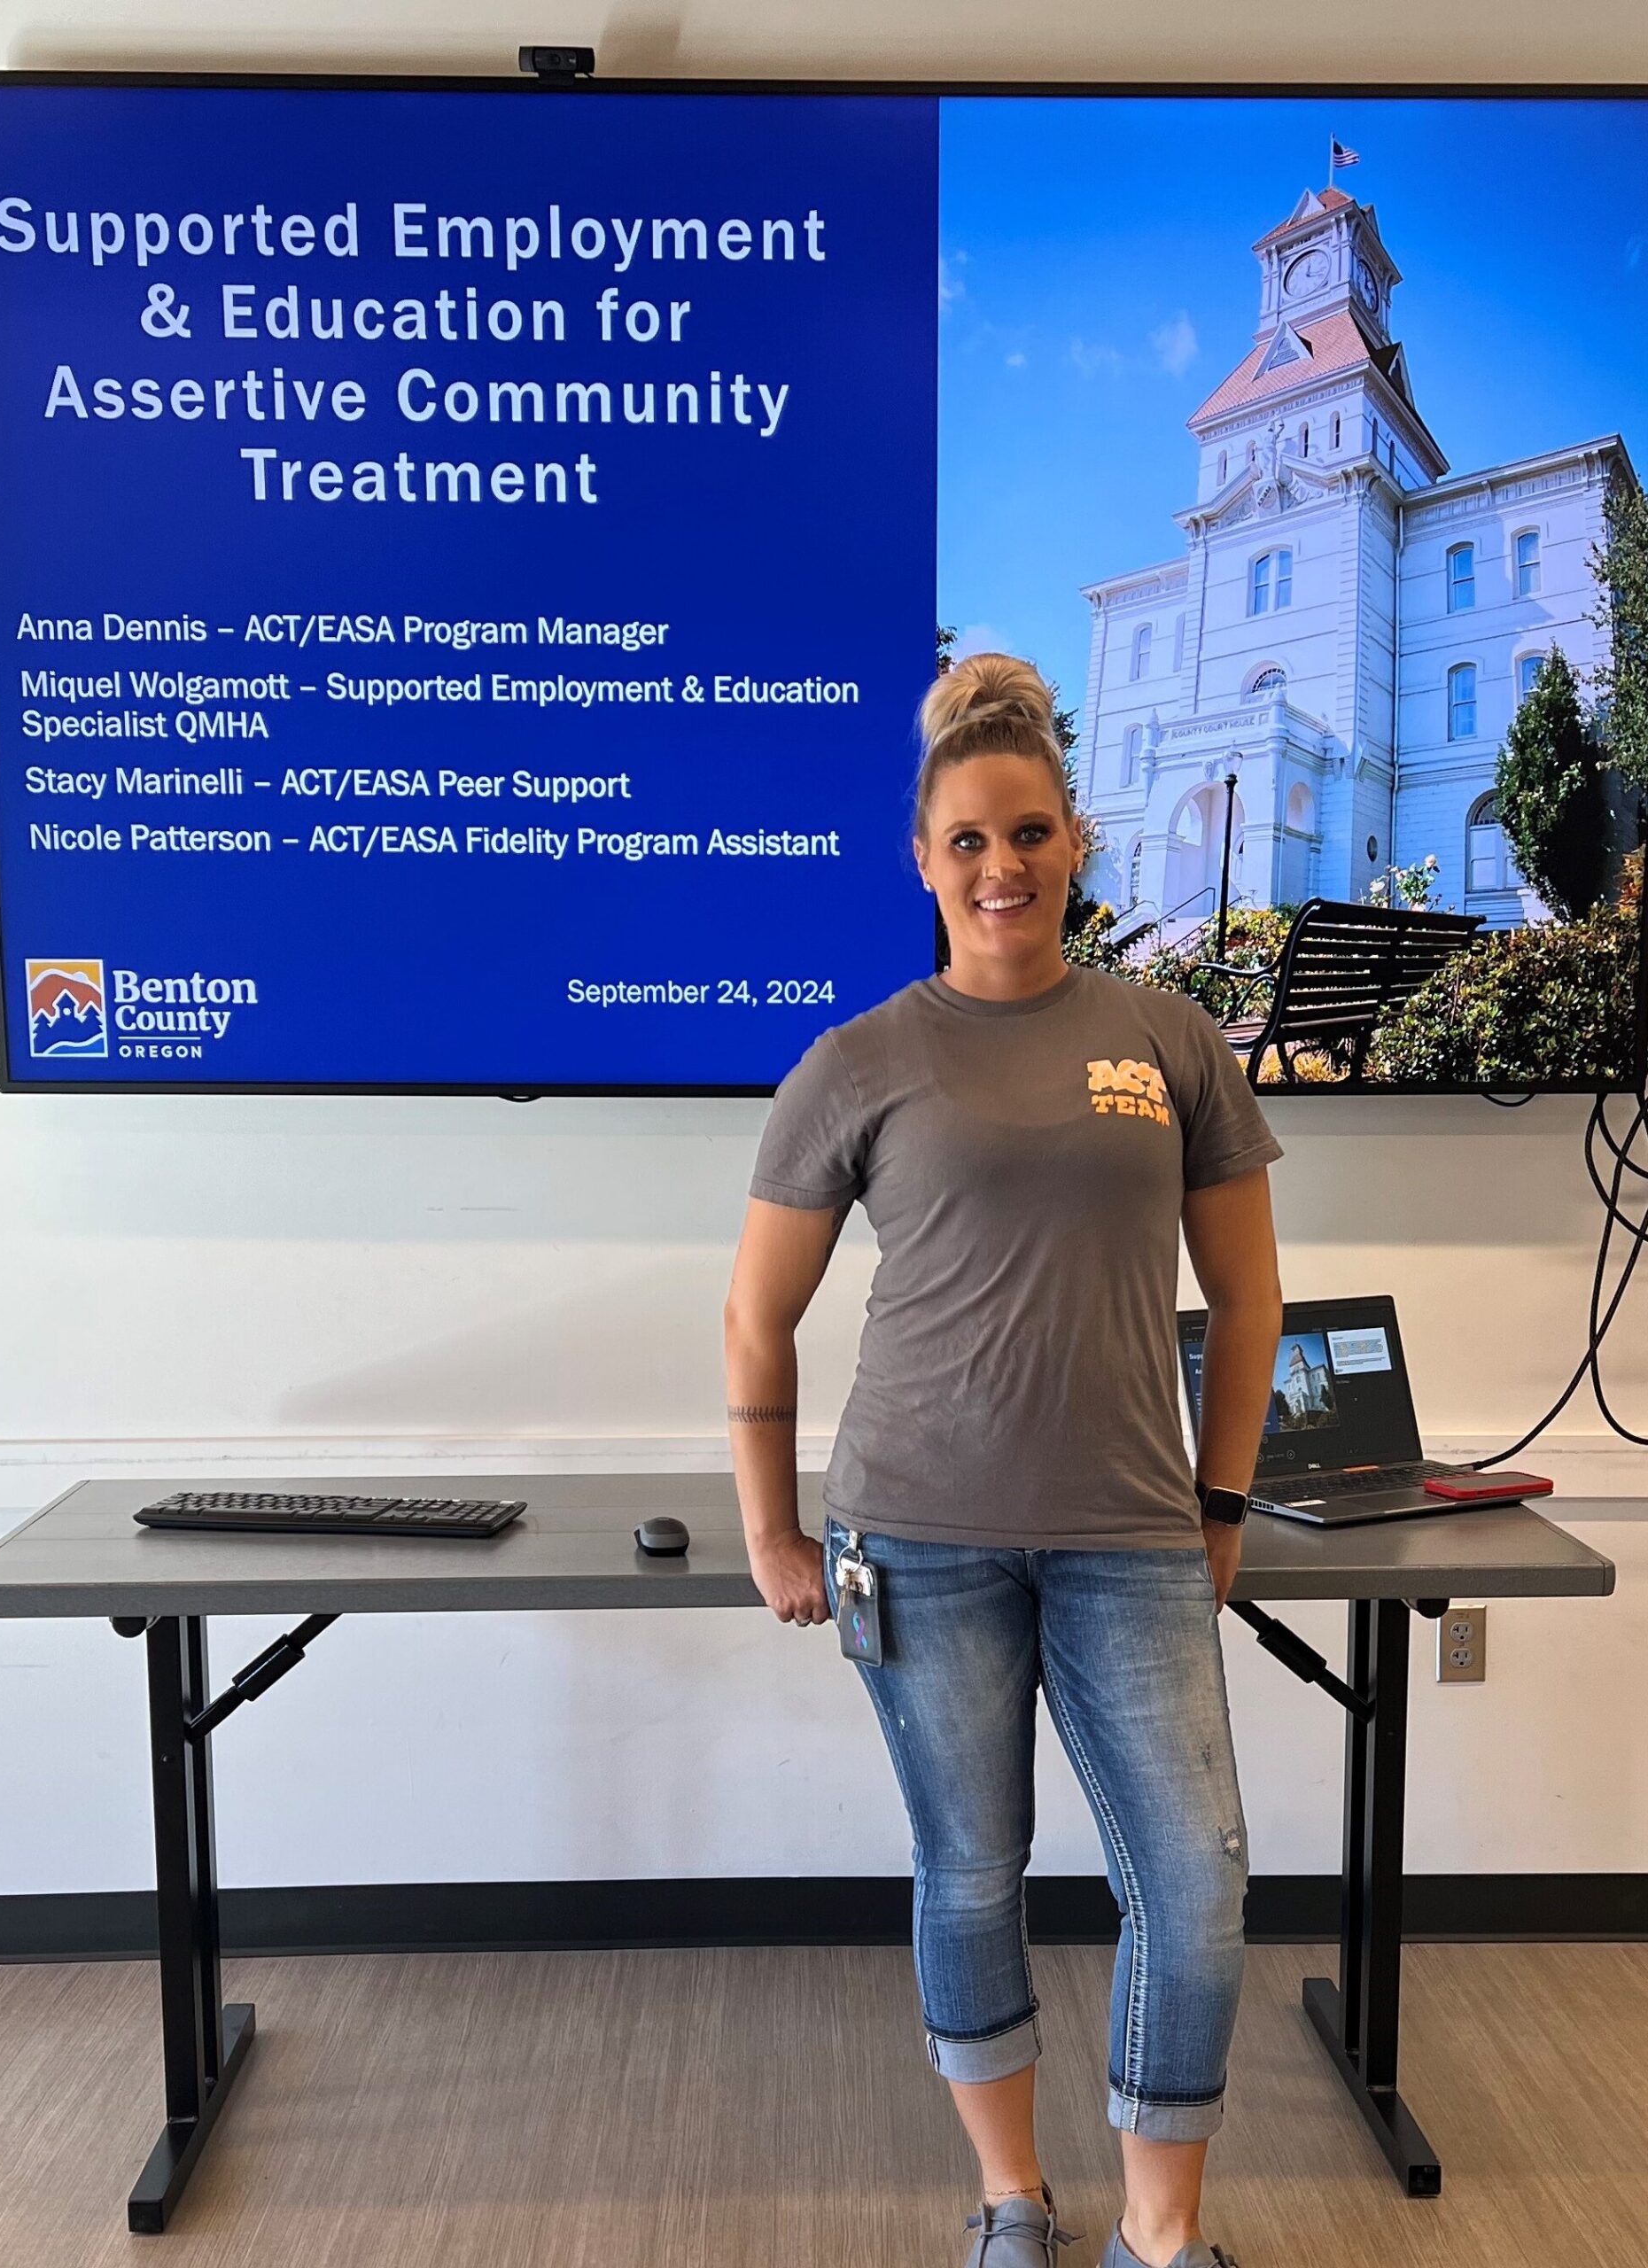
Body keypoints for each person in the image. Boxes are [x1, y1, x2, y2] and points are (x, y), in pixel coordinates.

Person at [723, 653, 1284, 2268]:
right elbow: (760, 1323)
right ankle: (1014, 2203)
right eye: (968, 841)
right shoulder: (857, 1062)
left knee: (1196, 1885)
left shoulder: (1169, 1041)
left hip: (1132, 1537)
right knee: (971, 1870)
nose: (1002, 867)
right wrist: (772, 1538)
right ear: (923, 857)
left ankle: (1160, 2235)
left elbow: (1245, 1301)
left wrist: (1224, 1499)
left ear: (1076, 845)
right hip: (914, 1538)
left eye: (1030, 833)